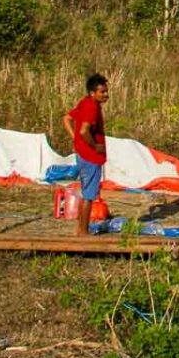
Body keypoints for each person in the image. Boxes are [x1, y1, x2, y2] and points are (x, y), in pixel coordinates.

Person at [62, 73, 109, 237]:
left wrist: (75, 139)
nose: (105, 95)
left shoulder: (84, 102)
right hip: (90, 156)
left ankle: (82, 229)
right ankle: (82, 231)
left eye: (106, 91)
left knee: (86, 193)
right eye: (102, 92)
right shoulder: (92, 107)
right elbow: (84, 130)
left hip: (82, 153)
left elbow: (67, 118)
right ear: (92, 92)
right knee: (88, 195)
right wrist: (95, 146)